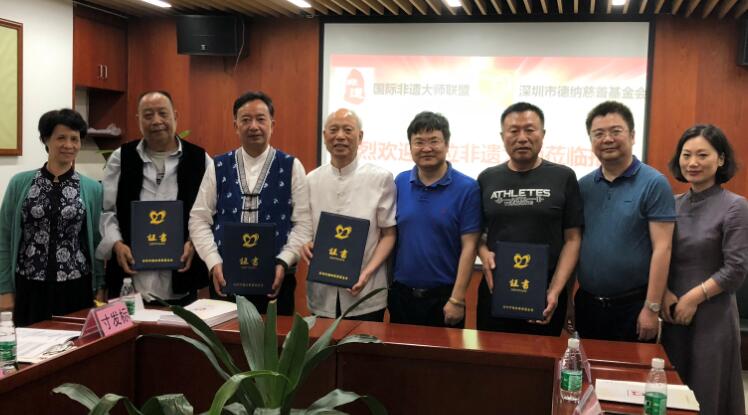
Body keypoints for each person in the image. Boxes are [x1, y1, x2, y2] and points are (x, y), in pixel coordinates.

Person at [189, 91, 311, 315]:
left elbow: (304, 224)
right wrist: (213, 261)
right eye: (246, 120)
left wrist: (284, 262)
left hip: (277, 280)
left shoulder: (291, 167)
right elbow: (198, 219)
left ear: (272, 124)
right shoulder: (218, 166)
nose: (253, 126)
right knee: (226, 337)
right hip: (226, 278)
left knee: (274, 337)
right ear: (235, 126)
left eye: (260, 119)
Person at [661, 124, 748, 415]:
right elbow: (659, 255)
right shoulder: (671, 204)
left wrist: (692, 298)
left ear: (721, 159)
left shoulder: (735, 206)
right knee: (672, 393)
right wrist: (664, 293)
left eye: (702, 155)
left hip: (713, 317)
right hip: (673, 314)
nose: (693, 162)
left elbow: (736, 268)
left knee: (706, 395)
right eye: (686, 155)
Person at [477, 102, 583, 336]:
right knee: (491, 355)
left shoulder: (563, 176)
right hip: (496, 288)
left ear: (542, 134)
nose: (522, 138)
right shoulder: (487, 178)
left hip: (545, 293)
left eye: (530, 129)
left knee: (541, 357)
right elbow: (476, 235)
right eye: (514, 131)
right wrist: (483, 254)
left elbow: (573, 239)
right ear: (502, 136)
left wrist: (555, 290)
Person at [97, 91, 210, 305]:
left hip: (181, 284)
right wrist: (116, 244)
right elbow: (107, 211)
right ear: (138, 120)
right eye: (148, 115)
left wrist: (194, 242)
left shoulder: (200, 159)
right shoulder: (121, 158)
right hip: (129, 285)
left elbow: (209, 213)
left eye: (163, 113)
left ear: (175, 116)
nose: (156, 121)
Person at [576, 101, 675, 342]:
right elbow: (574, 244)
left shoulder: (654, 183)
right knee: (587, 366)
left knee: (631, 368)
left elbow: (663, 248)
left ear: (632, 135)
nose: (607, 139)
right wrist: (569, 299)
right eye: (599, 134)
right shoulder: (583, 186)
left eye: (615, 131)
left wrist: (652, 307)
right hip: (588, 304)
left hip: (634, 307)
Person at [0, 109, 104, 326]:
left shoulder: (92, 188)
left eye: (75, 139)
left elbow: (97, 242)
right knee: (30, 344)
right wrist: (4, 289)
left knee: (75, 343)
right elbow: (4, 236)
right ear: (46, 139)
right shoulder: (20, 183)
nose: (69, 145)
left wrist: (100, 285)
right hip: (29, 285)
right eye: (61, 138)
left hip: (76, 286)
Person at [300, 108, 396, 321]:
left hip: (366, 291)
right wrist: (305, 243)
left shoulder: (380, 178)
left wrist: (366, 273)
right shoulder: (311, 180)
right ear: (324, 136)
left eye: (348, 130)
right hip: (322, 290)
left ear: (360, 136)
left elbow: (389, 234)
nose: (340, 136)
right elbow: (304, 228)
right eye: (333, 130)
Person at [388, 111, 480, 328]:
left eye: (434, 141)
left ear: (446, 144)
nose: (426, 148)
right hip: (401, 296)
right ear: (410, 147)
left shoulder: (467, 188)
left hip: (444, 298)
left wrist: (457, 299)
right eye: (419, 142)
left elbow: (470, 246)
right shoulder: (400, 182)